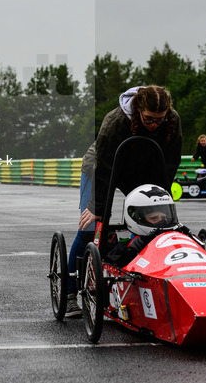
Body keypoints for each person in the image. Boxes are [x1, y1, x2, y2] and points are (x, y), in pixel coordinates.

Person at [65, 85, 183, 317]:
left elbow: (170, 163)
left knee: (151, 226)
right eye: (148, 119)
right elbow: (104, 166)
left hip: (142, 167)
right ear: (138, 109)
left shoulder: (172, 119)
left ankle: (136, 287)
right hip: (102, 166)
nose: (154, 124)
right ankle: (69, 294)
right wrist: (97, 209)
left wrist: (160, 202)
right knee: (91, 229)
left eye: (159, 120)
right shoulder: (116, 121)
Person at [106, 184, 181, 267]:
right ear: (138, 218)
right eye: (154, 218)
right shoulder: (124, 249)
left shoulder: (177, 240)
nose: (162, 222)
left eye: (164, 218)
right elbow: (109, 265)